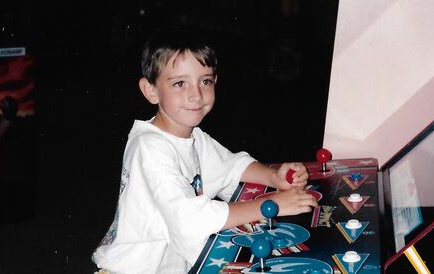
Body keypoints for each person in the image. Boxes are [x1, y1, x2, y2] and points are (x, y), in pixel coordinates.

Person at [92, 27, 318, 273]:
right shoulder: (149, 146)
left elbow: (230, 165)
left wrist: (273, 177)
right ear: (151, 91)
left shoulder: (192, 135)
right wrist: (270, 203)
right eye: (180, 83)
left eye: (205, 81)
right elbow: (190, 220)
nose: (196, 94)